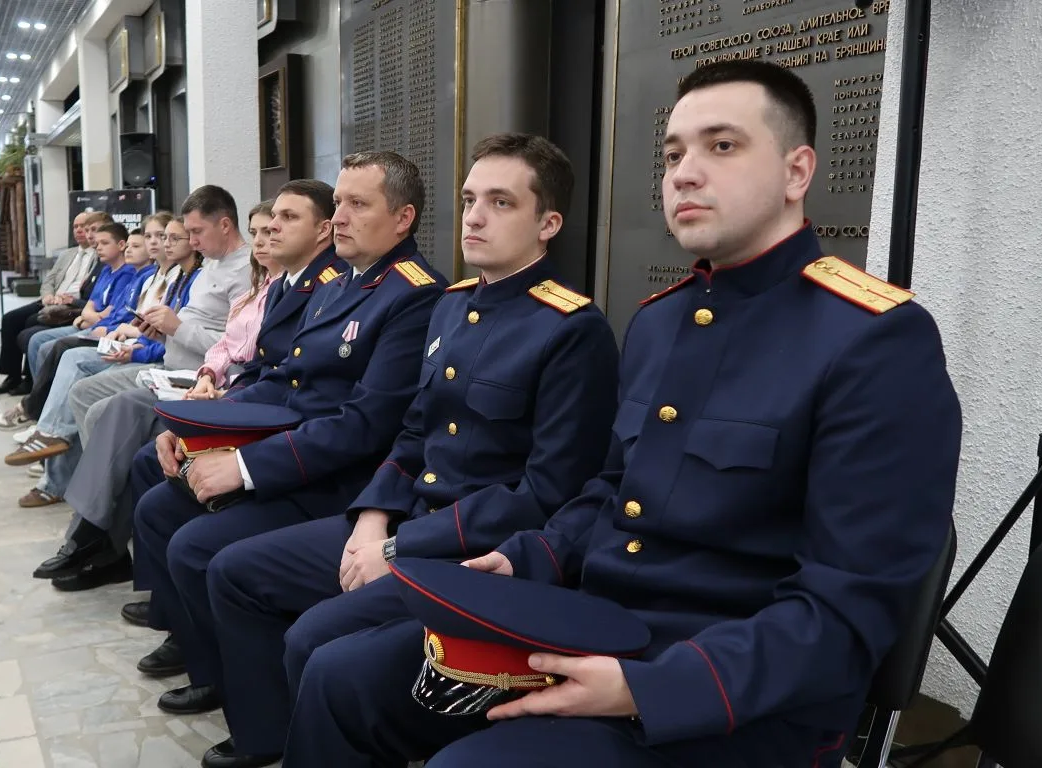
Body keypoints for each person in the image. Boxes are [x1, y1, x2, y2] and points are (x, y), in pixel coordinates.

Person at [282, 60, 964, 768]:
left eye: (722, 146)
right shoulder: (661, 323)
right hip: (596, 622)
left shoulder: (874, 340)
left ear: (797, 172)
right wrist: (528, 557)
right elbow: (612, 490)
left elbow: (847, 609)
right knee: (341, 679)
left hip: (728, 691)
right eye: (673, 155)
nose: (685, 173)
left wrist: (649, 688)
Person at [200, 133, 621, 768]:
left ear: (548, 224)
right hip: (403, 517)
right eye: (470, 199)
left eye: (502, 202)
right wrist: (373, 519)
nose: (475, 217)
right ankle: (276, 738)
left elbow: (546, 493)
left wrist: (398, 548)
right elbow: (416, 432)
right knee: (238, 571)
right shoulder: (454, 307)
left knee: (316, 643)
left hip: (470, 550)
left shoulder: (571, 329)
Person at [130, 151, 447, 720]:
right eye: (339, 202)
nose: (339, 216)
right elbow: (281, 379)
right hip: (291, 453)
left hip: (341, 478)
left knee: (199, 548)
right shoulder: (338, 282)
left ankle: (261, 716)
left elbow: (365, 424)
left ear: (403, 218)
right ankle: (211, 664)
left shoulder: (414, 294)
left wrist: (245, 467)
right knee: (160, 505)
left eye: (357, 204)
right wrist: (196, 430)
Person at [32, 184, 343, 590]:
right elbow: (234, 347)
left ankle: (96, 535)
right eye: (260, 230)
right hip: (196, 374)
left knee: (124, 420)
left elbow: (261, 362)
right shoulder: (260, 281)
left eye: (280, 224)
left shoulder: (304, 284)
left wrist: (210, 379)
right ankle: (95, 528)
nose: (265, 239)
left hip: (226, 389)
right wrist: (204, 370)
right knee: (91, 396)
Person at [4, 226, 156, 463]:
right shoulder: (135, 275)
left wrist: (115, 330)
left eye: (164, 237)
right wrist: (99, 321)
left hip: (125, 342)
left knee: (66, 356)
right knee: (40, 343)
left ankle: (45, 425)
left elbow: (135, 322)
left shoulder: (138, 275)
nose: (96, 243)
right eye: (150, 237)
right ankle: (45, 425)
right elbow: (104, 308)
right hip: (111, 333)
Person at [0, 217, 135, 430]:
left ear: (121, 244)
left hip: (107, 333)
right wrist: (88, 316)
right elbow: (92, 306)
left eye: (103, 242)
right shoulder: (106, 269)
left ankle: (41, 414)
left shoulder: (131, 274)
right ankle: (42, 409)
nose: (97, 245)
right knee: (36, 339)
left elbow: (111, 315)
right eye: (96, 241)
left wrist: (91, 318)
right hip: (93, 324)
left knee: (58, 347)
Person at [0, 212, 93, 395]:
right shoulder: (68, 254)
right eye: (75, 226)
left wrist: (68, 300)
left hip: (71, 304)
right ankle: (12, 375)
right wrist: (47, 296)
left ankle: (30, 379)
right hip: (51, 300)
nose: (79, 230)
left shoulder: (97, 257)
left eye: (84, 226)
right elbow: (49, 280)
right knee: (10, 319)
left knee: (32, 321)